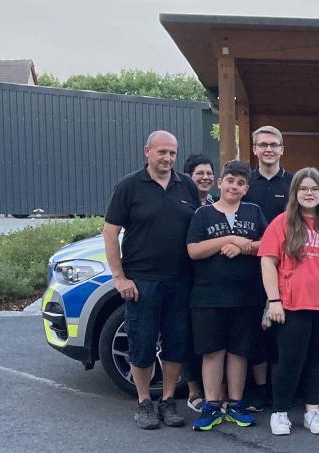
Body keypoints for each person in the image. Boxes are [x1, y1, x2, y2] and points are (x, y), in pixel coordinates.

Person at [102, 130, 199, 430]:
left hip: (180, 280)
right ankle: (144, 402)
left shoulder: (187, 186)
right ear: (147, 151)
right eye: (162, 152)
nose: (168, 158)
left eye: (172, 153)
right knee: (141, 344)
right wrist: (119, 277)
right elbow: (110, 232)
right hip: (142, 282)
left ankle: (168, 401)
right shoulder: (129, 186)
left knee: (175, 344)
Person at [260, 167, 319, 436]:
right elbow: (268, 261)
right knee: (289, 359)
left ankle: (312, 412)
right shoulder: (282, 223)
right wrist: (273, 300)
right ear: (295, 192)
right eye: (304, 189)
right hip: (291, 304)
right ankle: (280, 413)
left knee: (316, 360)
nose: (309, 193)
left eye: (314, 189)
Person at [186, 160, 267, 431]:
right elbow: (194, 250)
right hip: (208, 297)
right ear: (220, 183)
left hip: (246, 296)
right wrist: (228, 239)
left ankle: (235, 404)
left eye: (241, 183)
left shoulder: (254, 212)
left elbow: (267, 246)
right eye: (230, 180)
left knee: (239, 352)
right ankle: (211, 405)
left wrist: (245, 247)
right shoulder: (203, 214)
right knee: (212, 351)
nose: (235, 186)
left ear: (246, 189)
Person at [242, 125, 294, 411]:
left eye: (274, 144)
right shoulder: (246, 183)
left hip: (290, 272)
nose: (269, 149)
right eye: (263, 145)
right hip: (252, 271)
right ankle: (261, 390)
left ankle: (282, 387)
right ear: (255, 150)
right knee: (257, 334)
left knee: (285, 334)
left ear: (282, 149)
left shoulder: (295, 183)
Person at [182, 154, 215, 413]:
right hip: (185, 277)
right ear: (188, 178)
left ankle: (216, 390)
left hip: (211, 283)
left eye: (208, 173)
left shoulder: (217, 204)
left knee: (211, 339)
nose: (205, 177)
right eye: (199, 173)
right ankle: (194, 389)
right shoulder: (183, 205)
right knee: (189, 336)